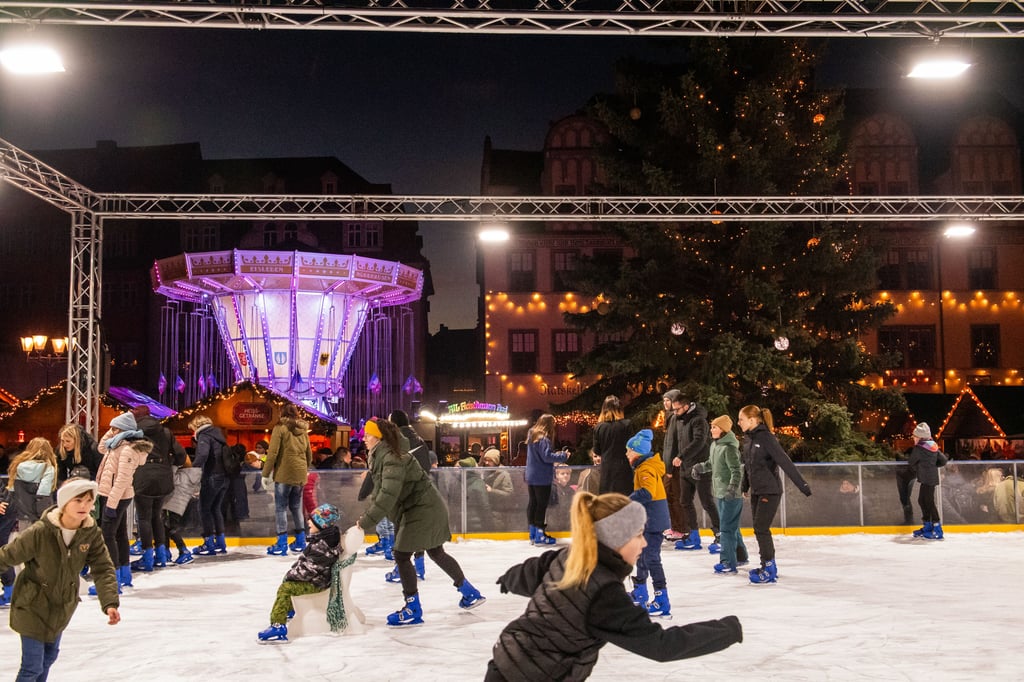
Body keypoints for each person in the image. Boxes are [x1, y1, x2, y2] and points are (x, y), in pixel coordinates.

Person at [485, 491, 743, 681]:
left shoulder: (570, 558)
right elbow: (661, 645)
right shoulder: (604, 593)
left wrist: (507, 580)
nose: (643, 544)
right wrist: (728, 630)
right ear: (617, 538)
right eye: (638, 535)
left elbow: (529, 573)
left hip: (506, 662)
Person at [358, 418, 485, 627]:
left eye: (367, 435)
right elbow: (382, 489)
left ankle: (413, 608)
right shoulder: (383, 455)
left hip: (423, 510)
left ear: (378, 438)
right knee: (436, 552)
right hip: (422, 507)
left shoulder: (391, 457)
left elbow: (388, 494)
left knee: (401, 554)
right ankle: (469, 592)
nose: (364, 439)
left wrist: (365, 521)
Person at [0, 478, 121, 680]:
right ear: (65, 502)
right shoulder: (40, 531)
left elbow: (103, 568)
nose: (84, 506)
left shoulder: (90, 533)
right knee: (32, 666)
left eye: (89, 501)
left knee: (48, 658)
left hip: (61, 607)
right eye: (78, 500)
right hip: (31, 605)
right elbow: (6, 556)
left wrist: (109, 602)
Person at [738, 404, 812, 584]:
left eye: (741, 419)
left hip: (770, 490)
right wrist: (745, 486)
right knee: (758, 528)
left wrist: (802, 485)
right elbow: (748, 466)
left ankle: (769, 568)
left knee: (761, 528)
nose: (738, 423)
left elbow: (785, 462)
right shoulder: (749, 440)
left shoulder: (766, 438)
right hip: (757, 490)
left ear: (753, 420)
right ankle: (766, 565)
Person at [257, 503, 343, 643]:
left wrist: (290, 575)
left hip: (317, 583)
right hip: (317, 579)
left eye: (313, 520)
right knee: (289, 582)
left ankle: (277, 625)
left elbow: (309, 570)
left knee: (286, 588)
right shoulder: (323, 539)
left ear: (322, 525)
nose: (308, 522)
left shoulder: (322, 546)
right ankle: (288, 608)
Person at [94, 411, 154, 591]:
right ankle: (124, 574)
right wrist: (112, 430)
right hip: (110, 494)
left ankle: (112, 579)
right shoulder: (116, 445)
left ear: (124, 430)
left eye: (115, 428)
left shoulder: (127, 449)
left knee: (108, 536)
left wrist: (111, 504)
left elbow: (122, 479)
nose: (111, 431)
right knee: (119, 534)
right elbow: (101, 447)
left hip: (117, 497)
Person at [692, 415, 749, 574]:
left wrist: (732, 488)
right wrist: (700, 467)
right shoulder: (715, 445)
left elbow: (736, 471)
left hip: (731, 494)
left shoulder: (730, 448)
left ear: (723, 429)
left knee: (726, 529)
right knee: (732, 527)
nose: (711, 430)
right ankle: (741, 556)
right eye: (712, 427)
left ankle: (727, 562)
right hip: (720, 492)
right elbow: (711, 464)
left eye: (714, 427)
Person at [131, 405, 185, 571]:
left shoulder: (133, 433)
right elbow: (181, 455)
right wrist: (168, 466)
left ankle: (147, 558)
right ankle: (161, 556)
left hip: (143, 477)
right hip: (163, 478)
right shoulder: (166, 432)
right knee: (157, 516)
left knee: (144, 518)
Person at [624, 429, 671, 617]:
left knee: (651, 558)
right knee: (642, 557)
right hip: (649, 520)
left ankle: (662, 599)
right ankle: (640, 591)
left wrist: (628, 500)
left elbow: (648, 492)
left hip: (653, 522)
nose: (627, 454)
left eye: (629, 450)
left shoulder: (645, 469)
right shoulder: (644, 467)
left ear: (637, 452)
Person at [668, 393, 720, 552]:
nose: (675, 412)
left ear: (685, 406)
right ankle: (693, 536)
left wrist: (681, 456)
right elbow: (677, 443)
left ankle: (720, 534)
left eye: (677, 409)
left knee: (706, 502)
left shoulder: (699, 421)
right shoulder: (679, 420)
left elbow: (699, 442)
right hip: (685, 469)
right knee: (684, 501)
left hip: (700, 468)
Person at [263, 403, 313, 556]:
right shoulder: (303, 430)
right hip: (299, 473)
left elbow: (272, 453)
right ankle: (300, 541)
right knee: (297, 507)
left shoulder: (280, 428)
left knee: (280, 508)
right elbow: (308, 453)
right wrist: (305, 469)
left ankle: (282, 543)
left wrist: (265, 473)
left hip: (284, 473)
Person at [187, 414, 231, 557]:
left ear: (197, 425)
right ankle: (220, 542)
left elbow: (202, 455)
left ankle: (208, 543)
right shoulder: (218, 435)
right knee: (215, 509)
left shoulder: (204, 436)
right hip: (223, 477)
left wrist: (193, 470)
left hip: (212, 477)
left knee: (204, 509)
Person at [525, 413, 568, 545]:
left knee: (533, 503)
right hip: (541, 477)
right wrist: (562, 456)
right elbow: (547, 457)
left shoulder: (532, 437)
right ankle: (539, 535)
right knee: (541, 505)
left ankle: (533, 533)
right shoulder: (543, 439)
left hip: (531, 475)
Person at [908, 422, 948, 540]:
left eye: (915, 437)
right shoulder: (933, 446)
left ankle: (937, 527)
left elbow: (911, 461)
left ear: (919, 437)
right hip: (931, 478)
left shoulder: (919, 448)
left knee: (928, 502)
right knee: (922, 500)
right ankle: (928, 525)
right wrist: (934, 466)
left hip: (926, 479)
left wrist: (918, 467)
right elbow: (944, 460)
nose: (913, 439)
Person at [7, 437, 58, 523]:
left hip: (21, 514)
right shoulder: (47, 468)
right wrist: (43, 516)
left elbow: (12, 490)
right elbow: (43, 493)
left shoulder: (17, 466)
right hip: (38, 516)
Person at [162, 459, 203, 565]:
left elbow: (171, 481)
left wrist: (173, 467)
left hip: (173, 504)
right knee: (166, 527)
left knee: (170, 528)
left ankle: (183, 551)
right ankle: (166, 553)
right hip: (178, 505)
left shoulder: (183, 475)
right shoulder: (194, 475)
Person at [593, 395, 633, 496]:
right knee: (624, 502)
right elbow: (632, 447)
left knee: (607, 503)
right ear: (620, 409)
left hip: (607, 470)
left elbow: (597, 451)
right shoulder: (627, 424)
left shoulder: (599, 427)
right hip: (624, 469)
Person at [659, 389, 686, 542]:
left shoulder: (676, 419)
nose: (665, 403)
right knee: (670, 496)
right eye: (664, 401)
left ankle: (681, 529)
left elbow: (673, 445)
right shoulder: (670, 418)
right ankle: (676, 527)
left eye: (668, 400)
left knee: (675, 497)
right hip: (669, 466)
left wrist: (669, 469)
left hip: (674, 467)